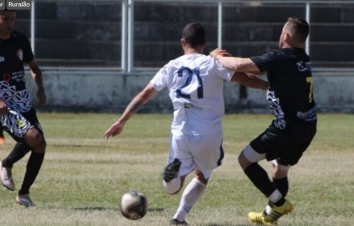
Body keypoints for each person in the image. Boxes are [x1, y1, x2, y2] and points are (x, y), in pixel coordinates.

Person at [104, 22, 269, 225]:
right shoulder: (212, 63)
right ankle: (178, 217)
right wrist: (267, 86)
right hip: (209, 132)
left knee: (173, 188)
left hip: (180, 132)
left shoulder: (171, 66)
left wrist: (122, 121)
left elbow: (145, 94)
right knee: (203, 174)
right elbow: (246, 79)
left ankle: (170, 181)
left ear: (183, 42)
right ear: (205, 43)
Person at [210, 17, 317, 225]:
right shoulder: (302, 58)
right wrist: (237, 64)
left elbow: (240, 65)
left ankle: (278, 202)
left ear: (285, 36)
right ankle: (270, 215)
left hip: (286, 128)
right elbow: (252, 68)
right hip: (307, 125)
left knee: (245, 159)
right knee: (279, 170)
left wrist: (216, 56)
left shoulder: (281, 57)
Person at [0, 9, 47, 208]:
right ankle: (6, 164)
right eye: (5, 19)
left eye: (12, 19)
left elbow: (34, 67)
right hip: (2, 107)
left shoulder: (20, 39)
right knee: (34, 138)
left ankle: (23, 194)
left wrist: (40, 88)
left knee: (39, 144)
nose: (10, 23)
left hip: (23, 102)